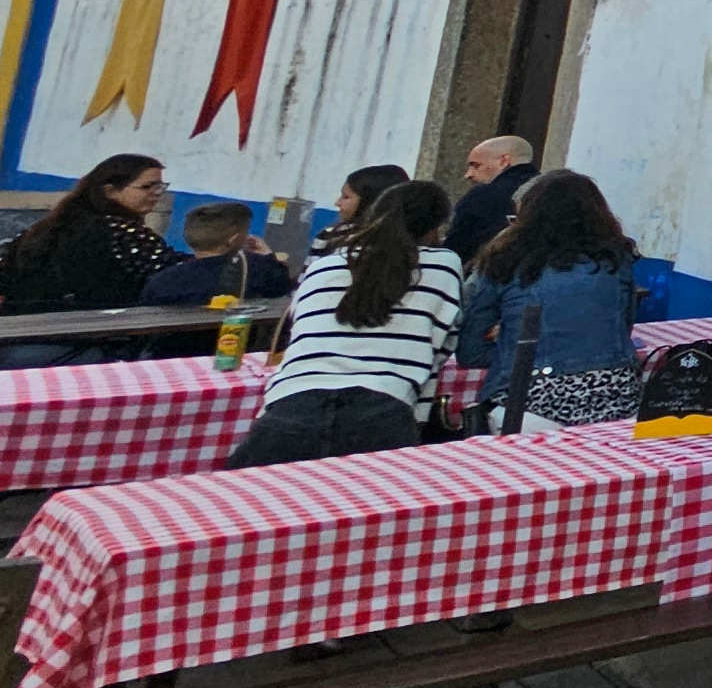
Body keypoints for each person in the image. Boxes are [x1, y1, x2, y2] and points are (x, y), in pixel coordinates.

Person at [224, 180, 461, 467]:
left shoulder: (324, 266)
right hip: (383, 409)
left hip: (291, 405)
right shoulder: (444, 266)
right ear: (436, 228)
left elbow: (297, 328)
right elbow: (442, 344)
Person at [456, 170, 650, 428]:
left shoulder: (503, 260)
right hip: (617, 400)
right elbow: (622, 329)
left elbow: (470, 351)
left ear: (526, 215)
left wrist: (517, 348)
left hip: (526, 404)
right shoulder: (617, 259)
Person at [0, 154, 174, 351]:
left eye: (160, 186)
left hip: (19, 339)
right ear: (110, 191)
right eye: (147, 187)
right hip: (94, 341)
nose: (157, 193)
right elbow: (171, 278)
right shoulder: (124, 232)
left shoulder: (40, 230)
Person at [147, 201, 292, 361]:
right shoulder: (259, 269)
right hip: (236, 353)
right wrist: (268, 257)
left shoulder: (163, 279)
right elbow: (283, 288)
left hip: (172, 355)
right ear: (234, 239)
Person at [442, 137, 536, 266]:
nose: (468, 174)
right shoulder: (549, 192)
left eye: (476, 165)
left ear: (504, 161)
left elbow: (456, 247)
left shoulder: (482, 196)